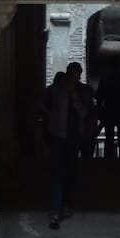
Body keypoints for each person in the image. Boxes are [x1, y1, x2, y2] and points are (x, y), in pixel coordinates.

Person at [41, 64, 87, 229]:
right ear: (68, 74)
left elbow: (84, 113)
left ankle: (65, 205)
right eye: (73, 75)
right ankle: (56, 209)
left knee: (69, 174)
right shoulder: (54, 91)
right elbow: (42, 106)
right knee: (57, 173)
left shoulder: (80, 92)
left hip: (72, 139)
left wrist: (74, 97)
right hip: (57, 137)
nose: (74, 79)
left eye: (77, 76)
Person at [95, 61, 120, 160]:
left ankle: (109, 161)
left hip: (109, 111)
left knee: (109, 139)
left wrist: (99, 111)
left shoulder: (105, 79)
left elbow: (100, 97)